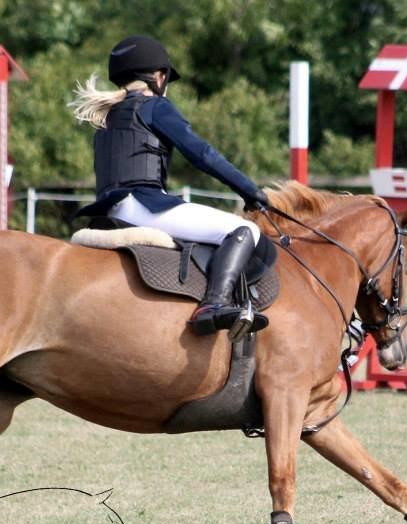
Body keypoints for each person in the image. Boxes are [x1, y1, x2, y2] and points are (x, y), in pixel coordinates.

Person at [70, 35, 271, 338]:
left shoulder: (107, 116)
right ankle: (213, 306)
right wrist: (250, 191)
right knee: (244, 231)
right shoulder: (155, 106)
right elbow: (202, 154)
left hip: (109, 209)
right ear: (159, 77)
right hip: (144, 204)